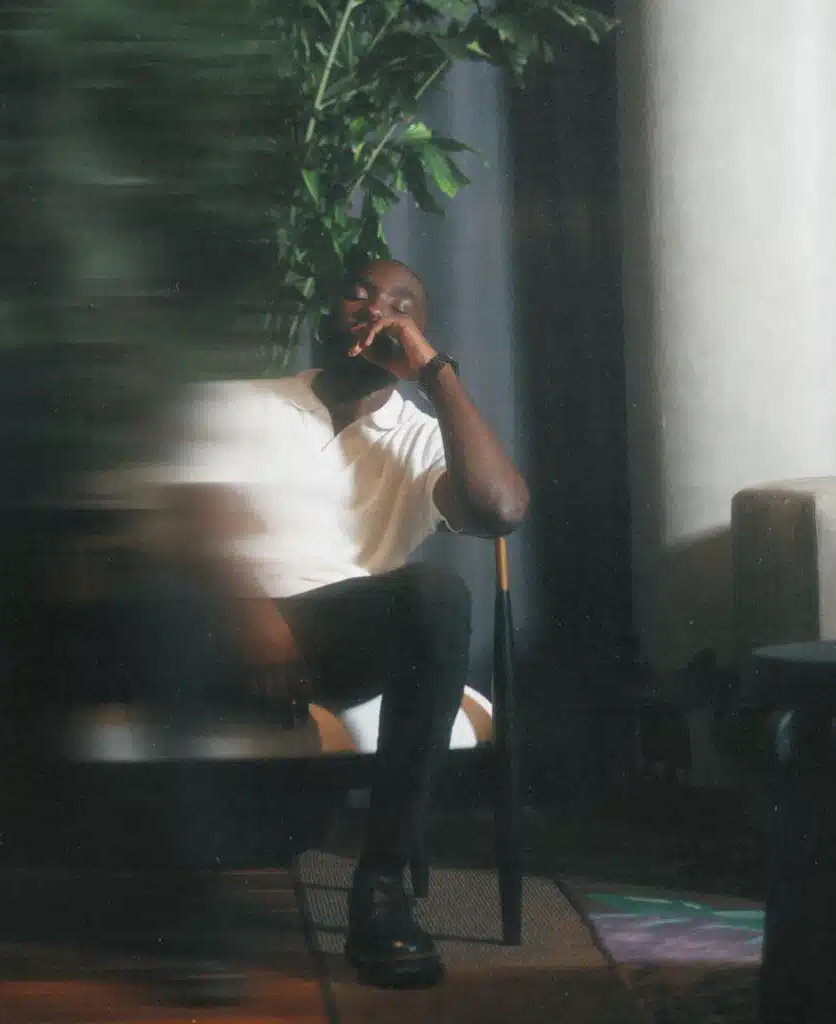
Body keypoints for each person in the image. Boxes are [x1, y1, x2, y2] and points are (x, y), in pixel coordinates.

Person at [128, 257, 529, 987]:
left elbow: (500, 509)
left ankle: (380, 890)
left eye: (399, 306)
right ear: (326, 313)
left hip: (341, 638)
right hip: (225, 625)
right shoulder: (242, 402)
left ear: (417, 333)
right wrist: (253, 611)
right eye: (359, 295)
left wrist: (435, 374)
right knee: (167, 603)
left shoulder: (421, 437)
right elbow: (192, 517)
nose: (375, 311)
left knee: (439, 595)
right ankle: (192, 909)